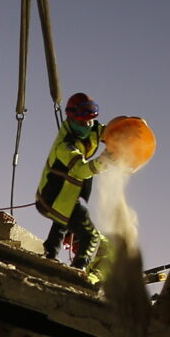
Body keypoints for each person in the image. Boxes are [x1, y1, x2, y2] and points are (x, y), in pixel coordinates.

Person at [33, 92, 104, 266]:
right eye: (82, 123)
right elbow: (81, 170)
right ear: (71, 120)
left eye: (89, 121)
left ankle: (48, 256)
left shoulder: (91, 127)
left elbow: (110, 131)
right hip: (51, 199)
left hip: (65, 199)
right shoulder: (64, 146)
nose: (87, 126)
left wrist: (127, 129)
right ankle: (78, 270)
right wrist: (105, 161)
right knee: (91, 236)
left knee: (62, 222)